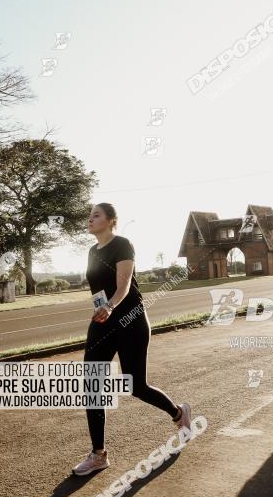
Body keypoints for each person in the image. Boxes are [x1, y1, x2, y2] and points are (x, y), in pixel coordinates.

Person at [72, 203, 191, 475]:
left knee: (136, 386)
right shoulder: (92, 251)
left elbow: (124, 283)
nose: (90, 218)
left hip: (130, 321)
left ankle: (178, 413)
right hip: (103, 323)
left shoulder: (122, 244)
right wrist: (101, 309)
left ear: (112, 221)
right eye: (89, 215)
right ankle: (98, 454)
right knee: (92, 384)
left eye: (96, 215)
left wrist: (111, 306)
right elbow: (98, 289)